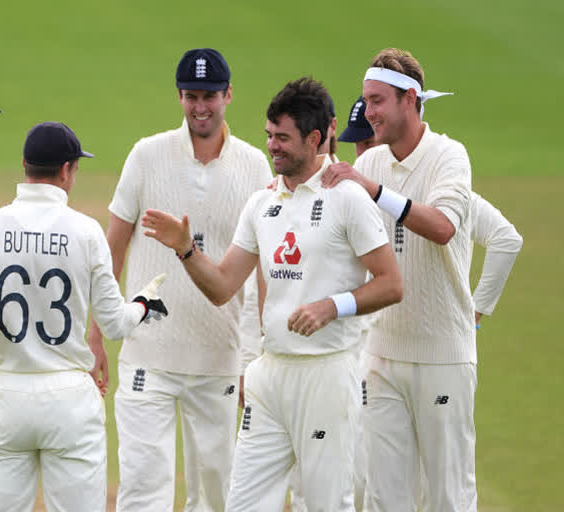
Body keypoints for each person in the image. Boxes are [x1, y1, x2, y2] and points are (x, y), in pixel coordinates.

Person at [143, 77, 403, 511]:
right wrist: (186, 250)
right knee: (242, 504)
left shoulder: (348, 199)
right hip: (271, 375)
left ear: (315, 138)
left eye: (282, 138)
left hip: (326, 374)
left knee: (324, 504)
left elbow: (391, 283)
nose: (272, 146)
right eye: (269, 136)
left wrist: (331, 307)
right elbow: (224, 285)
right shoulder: (262, 204)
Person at [0, 121, 169, 512]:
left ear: (25, 165)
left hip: (5, 398)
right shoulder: (87, 232)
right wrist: (145, 302)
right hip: (71, 403)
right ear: (66, 170)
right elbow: (114, 324)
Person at [85, 47, 273, 511]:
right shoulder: (146, 155)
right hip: (149, 354)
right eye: (191, 95)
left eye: (209, 95)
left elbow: (266, 269)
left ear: (228, 95)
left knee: (216, 494)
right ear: (179, 96)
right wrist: (95, 335)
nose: (200, 106)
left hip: (220, 359)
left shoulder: (254, 167)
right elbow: (114, 248)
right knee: (143, 492)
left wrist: (260, 354)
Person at [334, 95, 524, 510]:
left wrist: (473, 312)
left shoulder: (443, 187)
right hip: (373, 355)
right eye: (357, 146)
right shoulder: (360, 183)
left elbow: (506, 239)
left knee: (439, 491)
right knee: (376, 491)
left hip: (429, 356)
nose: (362, 155)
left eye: (367, 143)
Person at [322, 48, 478, 511]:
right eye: (365, 101)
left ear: (410, 99)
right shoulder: (370, 163)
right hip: (382, 354)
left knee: (447, 496)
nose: (368, 113)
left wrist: (375, 192)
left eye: (377, 101)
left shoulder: (449, 156)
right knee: (384, 496)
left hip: (442, 355)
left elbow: (443, 227)